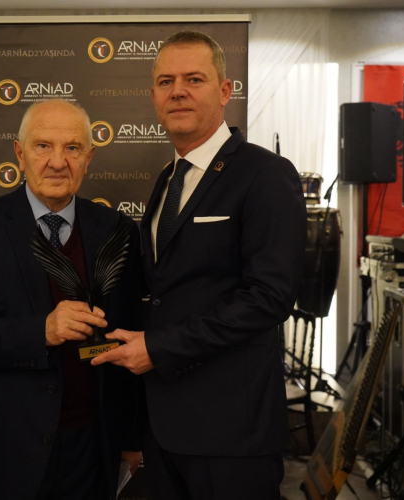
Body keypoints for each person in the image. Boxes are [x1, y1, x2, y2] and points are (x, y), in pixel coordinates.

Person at [92, 30, 307, 499]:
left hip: (233, 432)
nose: (178, 91)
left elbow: (269, 298)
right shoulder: (168, 179)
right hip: (163, 428)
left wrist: (159, 347)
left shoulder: (266, 174)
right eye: (166, 81)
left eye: (194, 79)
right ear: (153, 95)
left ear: (225, 90)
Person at [0, 99, 143, 500]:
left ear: (89, 158)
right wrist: (42, 331)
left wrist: (131, 438)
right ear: (20, 153)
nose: (57, 162)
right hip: (4, 450)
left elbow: (130, 333)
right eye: (43, 146)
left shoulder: (117, 229)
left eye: (72, 148)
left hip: (92, 450)